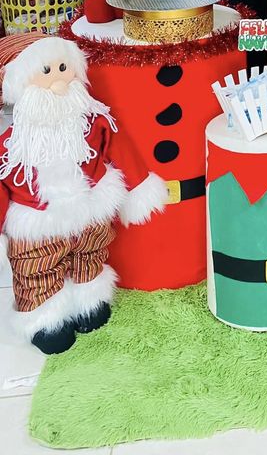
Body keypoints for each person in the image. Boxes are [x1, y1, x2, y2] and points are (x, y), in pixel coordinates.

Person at [0, 36, 166, 354]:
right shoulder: (12, 144)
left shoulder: (95, 120)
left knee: (89, 255)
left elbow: (119, 149)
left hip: (90, 207)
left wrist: (139, 187)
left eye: (64, 68)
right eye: (46, 71)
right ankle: (44, 319)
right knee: (36, 268)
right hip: (37, 222)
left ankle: (89, 300)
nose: (59, 80)